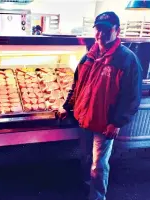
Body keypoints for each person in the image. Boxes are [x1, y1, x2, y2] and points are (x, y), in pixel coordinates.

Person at [57, 11, 142, 200]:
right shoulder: (89, 55)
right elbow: (77, 85)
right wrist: (66, 106)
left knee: (99, 165)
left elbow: (132, 96)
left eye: (106, 30)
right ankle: (87, 188)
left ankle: (97, 197)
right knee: (86, 159)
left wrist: (117, 123)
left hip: (105, 123)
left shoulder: (127, 59)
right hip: (84, 117)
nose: (100, 35)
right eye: (98, 30)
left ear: (117, 30)